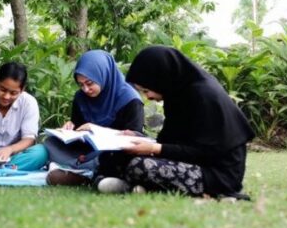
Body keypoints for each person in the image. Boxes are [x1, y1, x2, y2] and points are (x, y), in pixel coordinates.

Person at [108, 45, 254, 198]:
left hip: (216, 173)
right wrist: (138, 138)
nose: (147, 97)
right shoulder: (176, 93)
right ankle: (140, 185)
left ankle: (133, 185)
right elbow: (169, 141)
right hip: (187, 160)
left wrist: (154, 148)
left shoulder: (204, 95)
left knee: (141, 166)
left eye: (146, 90)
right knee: (119, 153)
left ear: (161, 78)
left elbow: (206, 152)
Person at [46, 50, 145, 187]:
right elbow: (78, 127)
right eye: (81, 84)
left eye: (90, 83)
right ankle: (85, 172)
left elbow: (135, 138)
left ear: (104, 75)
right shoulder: (80, 97)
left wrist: (98, 130)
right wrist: (69, 128)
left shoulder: (130, 99)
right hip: (85, 150)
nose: (86, 89)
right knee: (50, 143)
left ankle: (82, 174)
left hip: (111, 152)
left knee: (113, 156)